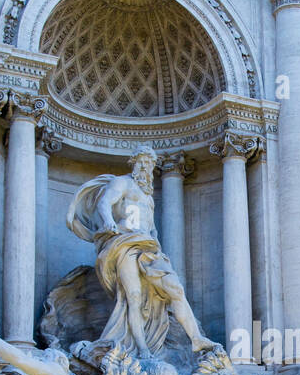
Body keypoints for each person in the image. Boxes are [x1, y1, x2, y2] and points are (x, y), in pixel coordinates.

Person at [68, 146, 214, 358]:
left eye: (150, 163)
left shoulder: (148, 197)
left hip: (148, 247)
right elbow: (104, 202)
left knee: (176, 289)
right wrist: (109, 222)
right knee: (133, 297)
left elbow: (151, 227)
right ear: (134, 162)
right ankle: (142, 349)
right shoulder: (122, 183)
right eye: (142, 162)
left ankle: (196, 339)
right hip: (124, 244)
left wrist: (157, 246)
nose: (146, 167)